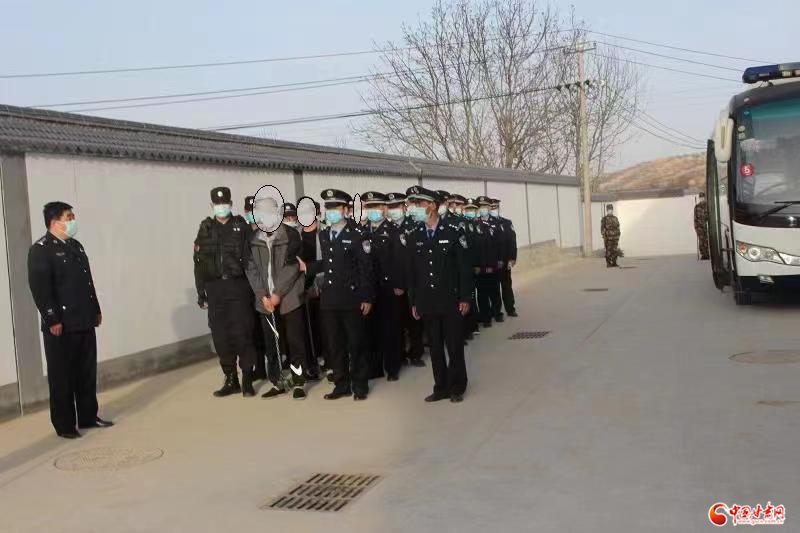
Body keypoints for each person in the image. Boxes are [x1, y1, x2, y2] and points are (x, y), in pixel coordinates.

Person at [27, 201, 113, 439]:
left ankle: (88, 416)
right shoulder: (40, 250)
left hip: (84, 319)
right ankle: (64, 425)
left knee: (86, 373)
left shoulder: (76, 246)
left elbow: (87, 282)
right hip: (61, 325)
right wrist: (52, 319)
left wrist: (95, 309)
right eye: (69, 217)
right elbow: (40, 289)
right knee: (62, 377)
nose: (73, 220)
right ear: (55, 222)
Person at [405, 187, 472, 403]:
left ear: (432, 206)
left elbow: (464, 269)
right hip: (427, 301)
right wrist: (414, 301)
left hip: (450, 300)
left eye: (419, 204)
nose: (414, 208)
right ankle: (440, 387)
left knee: (454, 346)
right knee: (435, 348)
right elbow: (412, 273)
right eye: (413, 204)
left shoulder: (453, 232)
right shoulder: (414, 235)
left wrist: (465, 297)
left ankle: (457, 387)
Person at [194, 186, 258, 397]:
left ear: (230, 204)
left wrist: (256, 289)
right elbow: (198, 263)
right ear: (212, 205)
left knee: (243, 333)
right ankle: (231, 379)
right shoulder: (205, 229)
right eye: (217, 204)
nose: (221, 207)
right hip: (215, 289)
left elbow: (252, 260)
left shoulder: (241, 226)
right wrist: (201, 292)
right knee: (221, 336)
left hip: (238, 286)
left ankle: (247, 378)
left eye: (224, 203)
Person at [310, 189, 374, 401]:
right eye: (328, 208)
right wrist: (307, 269)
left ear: (346, 210)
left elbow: (366, 268)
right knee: (335, 345)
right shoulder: (324, 234)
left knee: (356, 343)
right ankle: (341, 384)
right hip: (330, 299)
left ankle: (360, 384)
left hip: (351, 297)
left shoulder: (358, 234)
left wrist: (367, 297)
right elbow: (326, 264)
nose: (331, 212)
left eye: (335, 207)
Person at [245, 200, 309, 400]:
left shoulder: (290, 235)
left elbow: (293, 266)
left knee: (295, 342)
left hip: (289, 298)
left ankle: (299, 382)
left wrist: (277, 294)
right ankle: (277, 382)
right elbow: (250, 268)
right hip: (265, 302)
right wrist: (262, 295)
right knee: (271, 345)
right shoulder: (252, 238)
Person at [362, 191, 406, 381]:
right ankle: (375, 368)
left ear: (384, 208)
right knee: (371, 329)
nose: (372, 211)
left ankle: (392, 367)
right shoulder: (362, 231)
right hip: (369, 287)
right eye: (369, 207)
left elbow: (400, 261)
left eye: (376, 207)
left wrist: (400, 284)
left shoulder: (394, 231)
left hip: (389, 287)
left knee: (390, 328)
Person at [394, 193, 425, 367]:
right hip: (396, 284)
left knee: (414, 320)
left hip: (413, 281)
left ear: (403, 207)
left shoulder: (413, 226)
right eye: (390, 207)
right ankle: (401, 354)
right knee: (399, 322)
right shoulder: (390, 228)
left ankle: (416, 353)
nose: (393, 210)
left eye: (396, 206)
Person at [245, 195, 268, 381]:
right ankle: (259, 367)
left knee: (267, 331)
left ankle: (276, 366)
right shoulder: (242, 232)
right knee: (253, 332)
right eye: (249, 211)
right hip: (248, 290)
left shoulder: (266, 231)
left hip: (265, 289)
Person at [476, 196, 503, 326]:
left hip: (494, 263)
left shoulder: (496, 223)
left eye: (485, 206)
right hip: (480, 265)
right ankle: (486, 318)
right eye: (480, 207)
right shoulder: (474, 223)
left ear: (488, 207)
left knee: (495, 291)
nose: (483, 209)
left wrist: (500, 259)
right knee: (482, 294)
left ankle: (497, 313)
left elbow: (501, 243)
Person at [490, 199, 518, 317]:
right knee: (495, 288)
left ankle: (510, 309)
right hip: (493, 262)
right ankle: (497, 312)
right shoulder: (485, 224)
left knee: (507, 286)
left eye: (495, 207)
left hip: (506, 261)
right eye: (492, 207)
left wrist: (512, 258)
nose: (494, 209)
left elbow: (512, 241)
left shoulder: (506, 222)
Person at [694, 193, 710, 260]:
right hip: (700, 227)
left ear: (705, 197)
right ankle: (703, 254)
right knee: (701, 241)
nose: (701, 198)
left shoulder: (708, 206)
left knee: (707, 241)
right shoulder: (697, 207)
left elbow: (709, 216)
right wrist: (696, 227)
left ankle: (708, 254)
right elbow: (695, 218)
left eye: (702, 197)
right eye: (700, 197)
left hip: (707, 226)